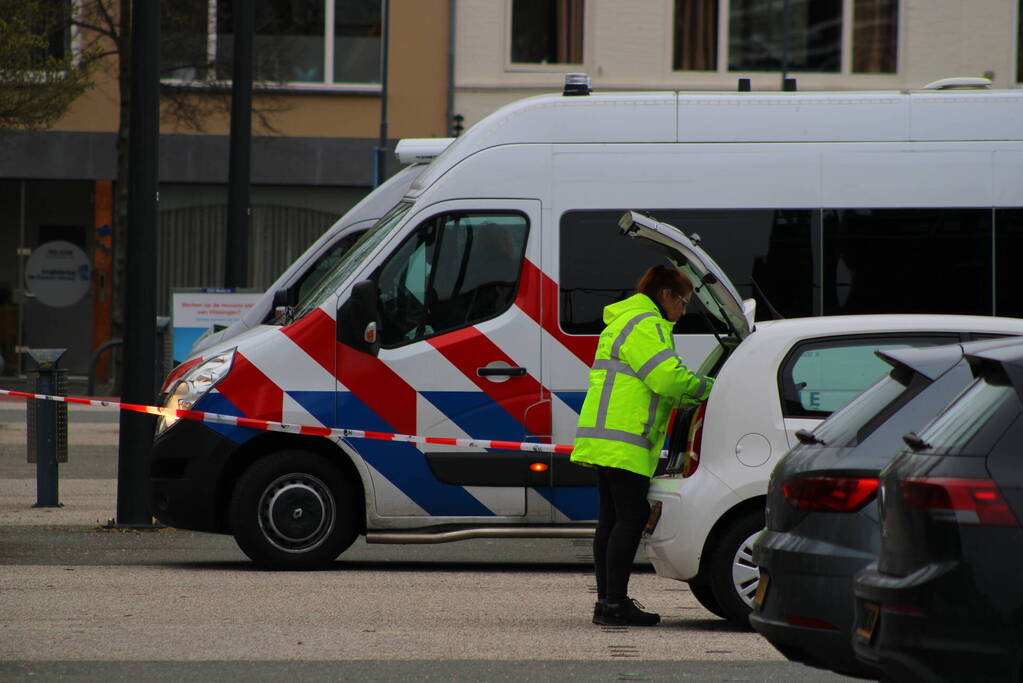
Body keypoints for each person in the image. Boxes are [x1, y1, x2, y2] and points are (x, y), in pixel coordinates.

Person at [571, 264, 714, 627]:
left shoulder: (627, 320)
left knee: (611, 519)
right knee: (630, 519)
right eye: (683, 301)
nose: (683, 311)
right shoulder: (645, 324)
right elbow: (667, 378)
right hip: (625, 438)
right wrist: (710, 388)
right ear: (666, 295)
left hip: (609, 435)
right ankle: (615, 603)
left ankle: (606, 603)